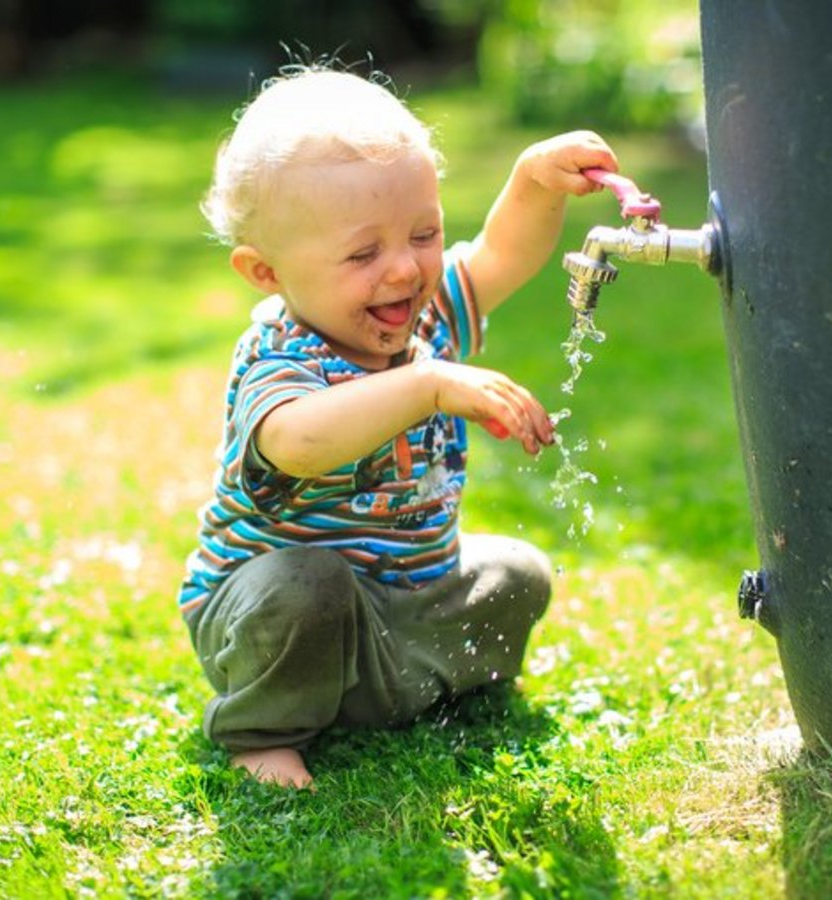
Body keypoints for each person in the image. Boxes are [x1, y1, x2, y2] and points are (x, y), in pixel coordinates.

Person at [177, 65, 619, 788]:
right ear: (266, 272)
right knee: (308, 590)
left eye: (424, 233)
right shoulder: (281, 354)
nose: (404, 270)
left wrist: (533, 182)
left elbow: (502, 255)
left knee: (516, 573)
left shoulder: (426, 316)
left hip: (407, 599)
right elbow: (297, 442)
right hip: (277, 614)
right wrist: (427, 386)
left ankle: (390, 688)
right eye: (362, 253)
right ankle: (264, 729)